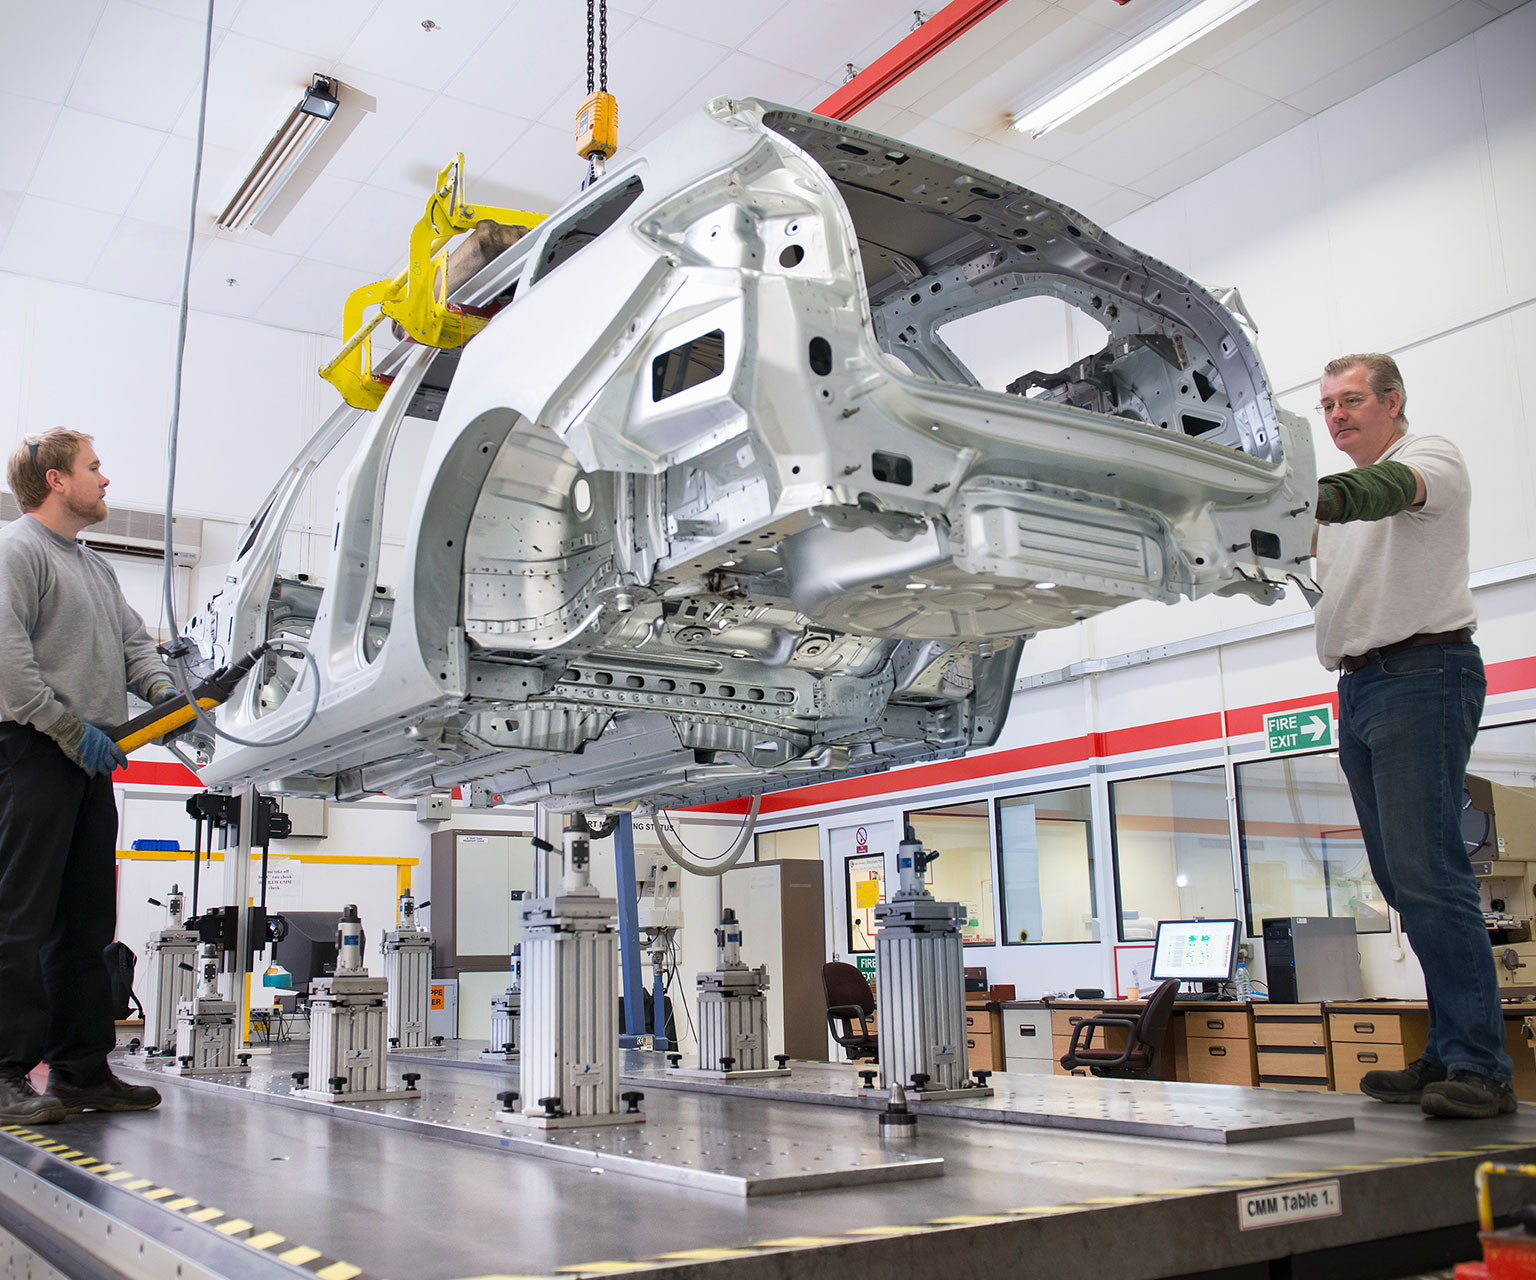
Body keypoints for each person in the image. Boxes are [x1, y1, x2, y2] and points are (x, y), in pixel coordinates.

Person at [1311, 353, 1514, 1119]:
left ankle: (1480, 1066)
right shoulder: (1335, 509)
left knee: (1430, 874)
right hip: (1359, 685)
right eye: (1327, 405)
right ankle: (1448, 1048)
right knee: (1403, 884)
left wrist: (1308, 499)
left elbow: (1384, 491)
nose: (1336, 415)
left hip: (1424, 672)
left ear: (1393, 403)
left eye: (1352, 399)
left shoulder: (1428, 459)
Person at [0, 429, 177, 1124]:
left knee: (85, 922)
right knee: (18, 918)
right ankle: (5, 1073)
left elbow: (135, 643)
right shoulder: (18, 551)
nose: (105, 480)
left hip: (90, 759)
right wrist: (70, 732)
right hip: (33, 751)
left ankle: (80, 1071)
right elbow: (9, 665)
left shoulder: (95, 567)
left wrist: (164, 694)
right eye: (93, 468)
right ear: (55, 479)